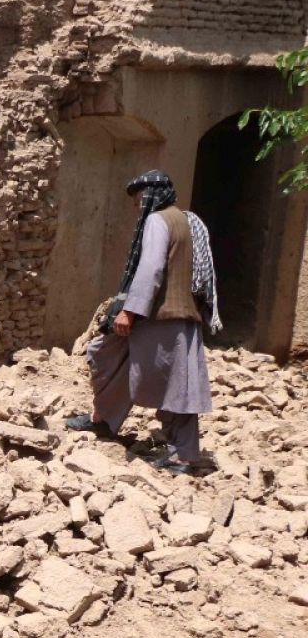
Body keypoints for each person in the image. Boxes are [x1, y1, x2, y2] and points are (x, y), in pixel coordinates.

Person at [68, 171, 217, 474]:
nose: (137, 207)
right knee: (112, 356)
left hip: (162, 318)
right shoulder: (186, 220)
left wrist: (129, 312)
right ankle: (104, 420)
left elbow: (151, 270)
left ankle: (183, 457)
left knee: (176, 387)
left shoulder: (158, 220)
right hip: (174, 317)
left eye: (139, 200)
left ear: (151, 196)